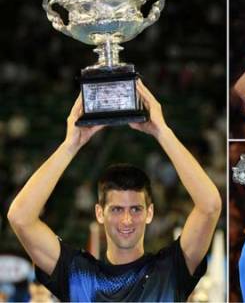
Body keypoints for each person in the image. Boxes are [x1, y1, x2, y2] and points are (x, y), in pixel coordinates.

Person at [6, 81, 222, 301]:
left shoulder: (171, 269)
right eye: (117, 209)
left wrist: (162, 132)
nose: (127, 220)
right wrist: (70, 145)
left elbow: (210, 206)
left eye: (136, 209)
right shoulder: (77, 274)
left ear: (150, 213)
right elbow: (20, 217)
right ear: (100, 212)